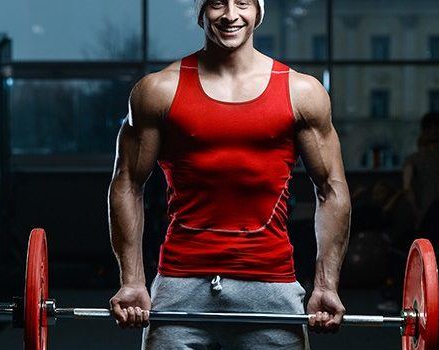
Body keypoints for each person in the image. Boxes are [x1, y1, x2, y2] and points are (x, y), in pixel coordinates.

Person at [107, 0, 351, 348]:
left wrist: (326, 285)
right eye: (218, 3)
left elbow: (331, 188)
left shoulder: (301, 92)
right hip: (180, 283)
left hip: (271, 286)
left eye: (243, 3)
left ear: (258, 11)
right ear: (201, 11)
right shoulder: (158, 90)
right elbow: (127, 184)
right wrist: (132, 280)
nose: (231, 15)